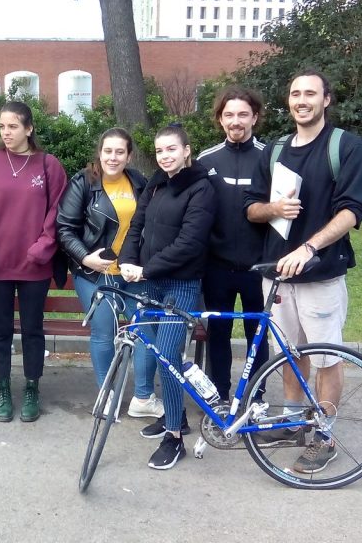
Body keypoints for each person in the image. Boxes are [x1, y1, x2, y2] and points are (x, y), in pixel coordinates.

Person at [244, 69, 362, 474]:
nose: (302, 100)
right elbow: (251, 207)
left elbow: (352, 210)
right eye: (295, 93)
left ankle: (324, 434)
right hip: (278, 276)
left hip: (321, 275)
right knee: (286, 354)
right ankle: (295, 422)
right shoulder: (276, 149)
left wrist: (309, 246)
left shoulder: (344, 146)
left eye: (310, 93)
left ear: (326, 100)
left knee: (326, 357)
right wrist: (274, 210)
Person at [119, 124, 216, 470]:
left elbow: (190, 243)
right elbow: (136, 226)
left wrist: (145, 270)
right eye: (160, 151)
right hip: (153, 283)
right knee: (159, 352)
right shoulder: (156, 183)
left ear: (187, 150)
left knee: (169, 359)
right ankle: (177, 418)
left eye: (171, 149)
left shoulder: (201, 187)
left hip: (181, 285)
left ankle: (174, 437)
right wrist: (127, 260)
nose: (165, 156)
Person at [0, 101, 68, 423]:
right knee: (0, 330)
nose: (6, 132)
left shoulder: (48, 165)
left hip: (34, 266)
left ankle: (31, 387)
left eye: (12, 126)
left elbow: (58, 211)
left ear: (29, 128)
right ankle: (1, 387)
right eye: (1, 126)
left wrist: (44, 245)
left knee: (32, 329)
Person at [56, 128, 162, 420]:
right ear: (99, 153)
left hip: (131, 273)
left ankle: (143, 397)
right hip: (93, 274)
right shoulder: (84, 182)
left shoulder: (139, 182)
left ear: (129, 155)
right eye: (108, 151)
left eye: (119, 152)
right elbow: (65, 227)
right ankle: (106, 394)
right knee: (104, 332)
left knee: (146, 331)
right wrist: (85, 257)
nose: (113, 157)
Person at [196, 86, 269, 400]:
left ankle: (255, 397)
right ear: (220, 120)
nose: (236, 121)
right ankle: (220, 396)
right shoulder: (205, 160)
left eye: (242, 114)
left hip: (260, 265)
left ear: (254, 117)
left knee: (258, 335)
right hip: (217, 267)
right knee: (219, 334)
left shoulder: (271, 157)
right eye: (229, 115)